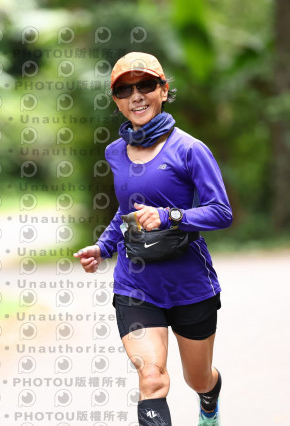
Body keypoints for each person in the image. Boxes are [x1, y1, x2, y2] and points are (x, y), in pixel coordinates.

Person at [74, 52, 232, 426]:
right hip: (136, 285)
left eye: (145, 85)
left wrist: (170, 215)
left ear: (163, 90)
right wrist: (103, 246)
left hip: (190, 285)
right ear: (116, 100)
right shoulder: (115, 152)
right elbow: (126, 211)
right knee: (151, 377)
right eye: (124, 90)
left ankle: (209, 399)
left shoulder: (190, 149)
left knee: (198, 378)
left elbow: (221, 211)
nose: (136, 96)